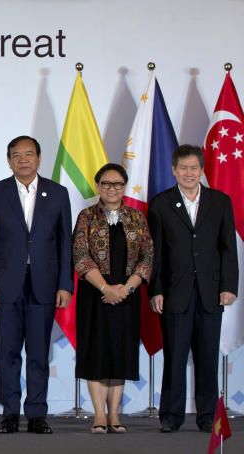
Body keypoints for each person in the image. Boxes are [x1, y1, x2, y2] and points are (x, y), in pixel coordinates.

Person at [0, 135, 73, 434]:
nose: (23, 159)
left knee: (37, 353)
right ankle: (9, 412)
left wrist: (65, 284)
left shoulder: (57, 193)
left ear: (39, 158)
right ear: (9, 161)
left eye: (29, 154)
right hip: (6, 285)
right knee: (8, 352)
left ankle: (36, 413)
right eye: (16, 155)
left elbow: (64, 244)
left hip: (44, 285)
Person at [149, 145, 238, 433]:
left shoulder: (220, 201)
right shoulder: (161, 203)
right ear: (174, 170)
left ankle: (208, 417)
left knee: (207, 357)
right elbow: (156, 252)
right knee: (174, 356)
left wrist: (229, 286)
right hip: (175, 292)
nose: (189, 173)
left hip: (212, 293)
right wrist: (156, 290)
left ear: (202, 170)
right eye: (183, 168)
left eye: (194, 167)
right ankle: (171, 416)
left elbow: (228, 248)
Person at [71, 163, 152, 434]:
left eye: (117, 184)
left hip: (127, 297)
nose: (112, 189)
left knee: (121, 354)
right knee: (96, 354)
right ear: (98, 187)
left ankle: (115, 415)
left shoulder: (137, 217)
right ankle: (98, 416)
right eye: (106, 184)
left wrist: (126, 289)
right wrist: (106, 288)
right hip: (94, 297)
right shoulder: (87, 216)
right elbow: (80, 255)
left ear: (124, 187)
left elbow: (147, 256)